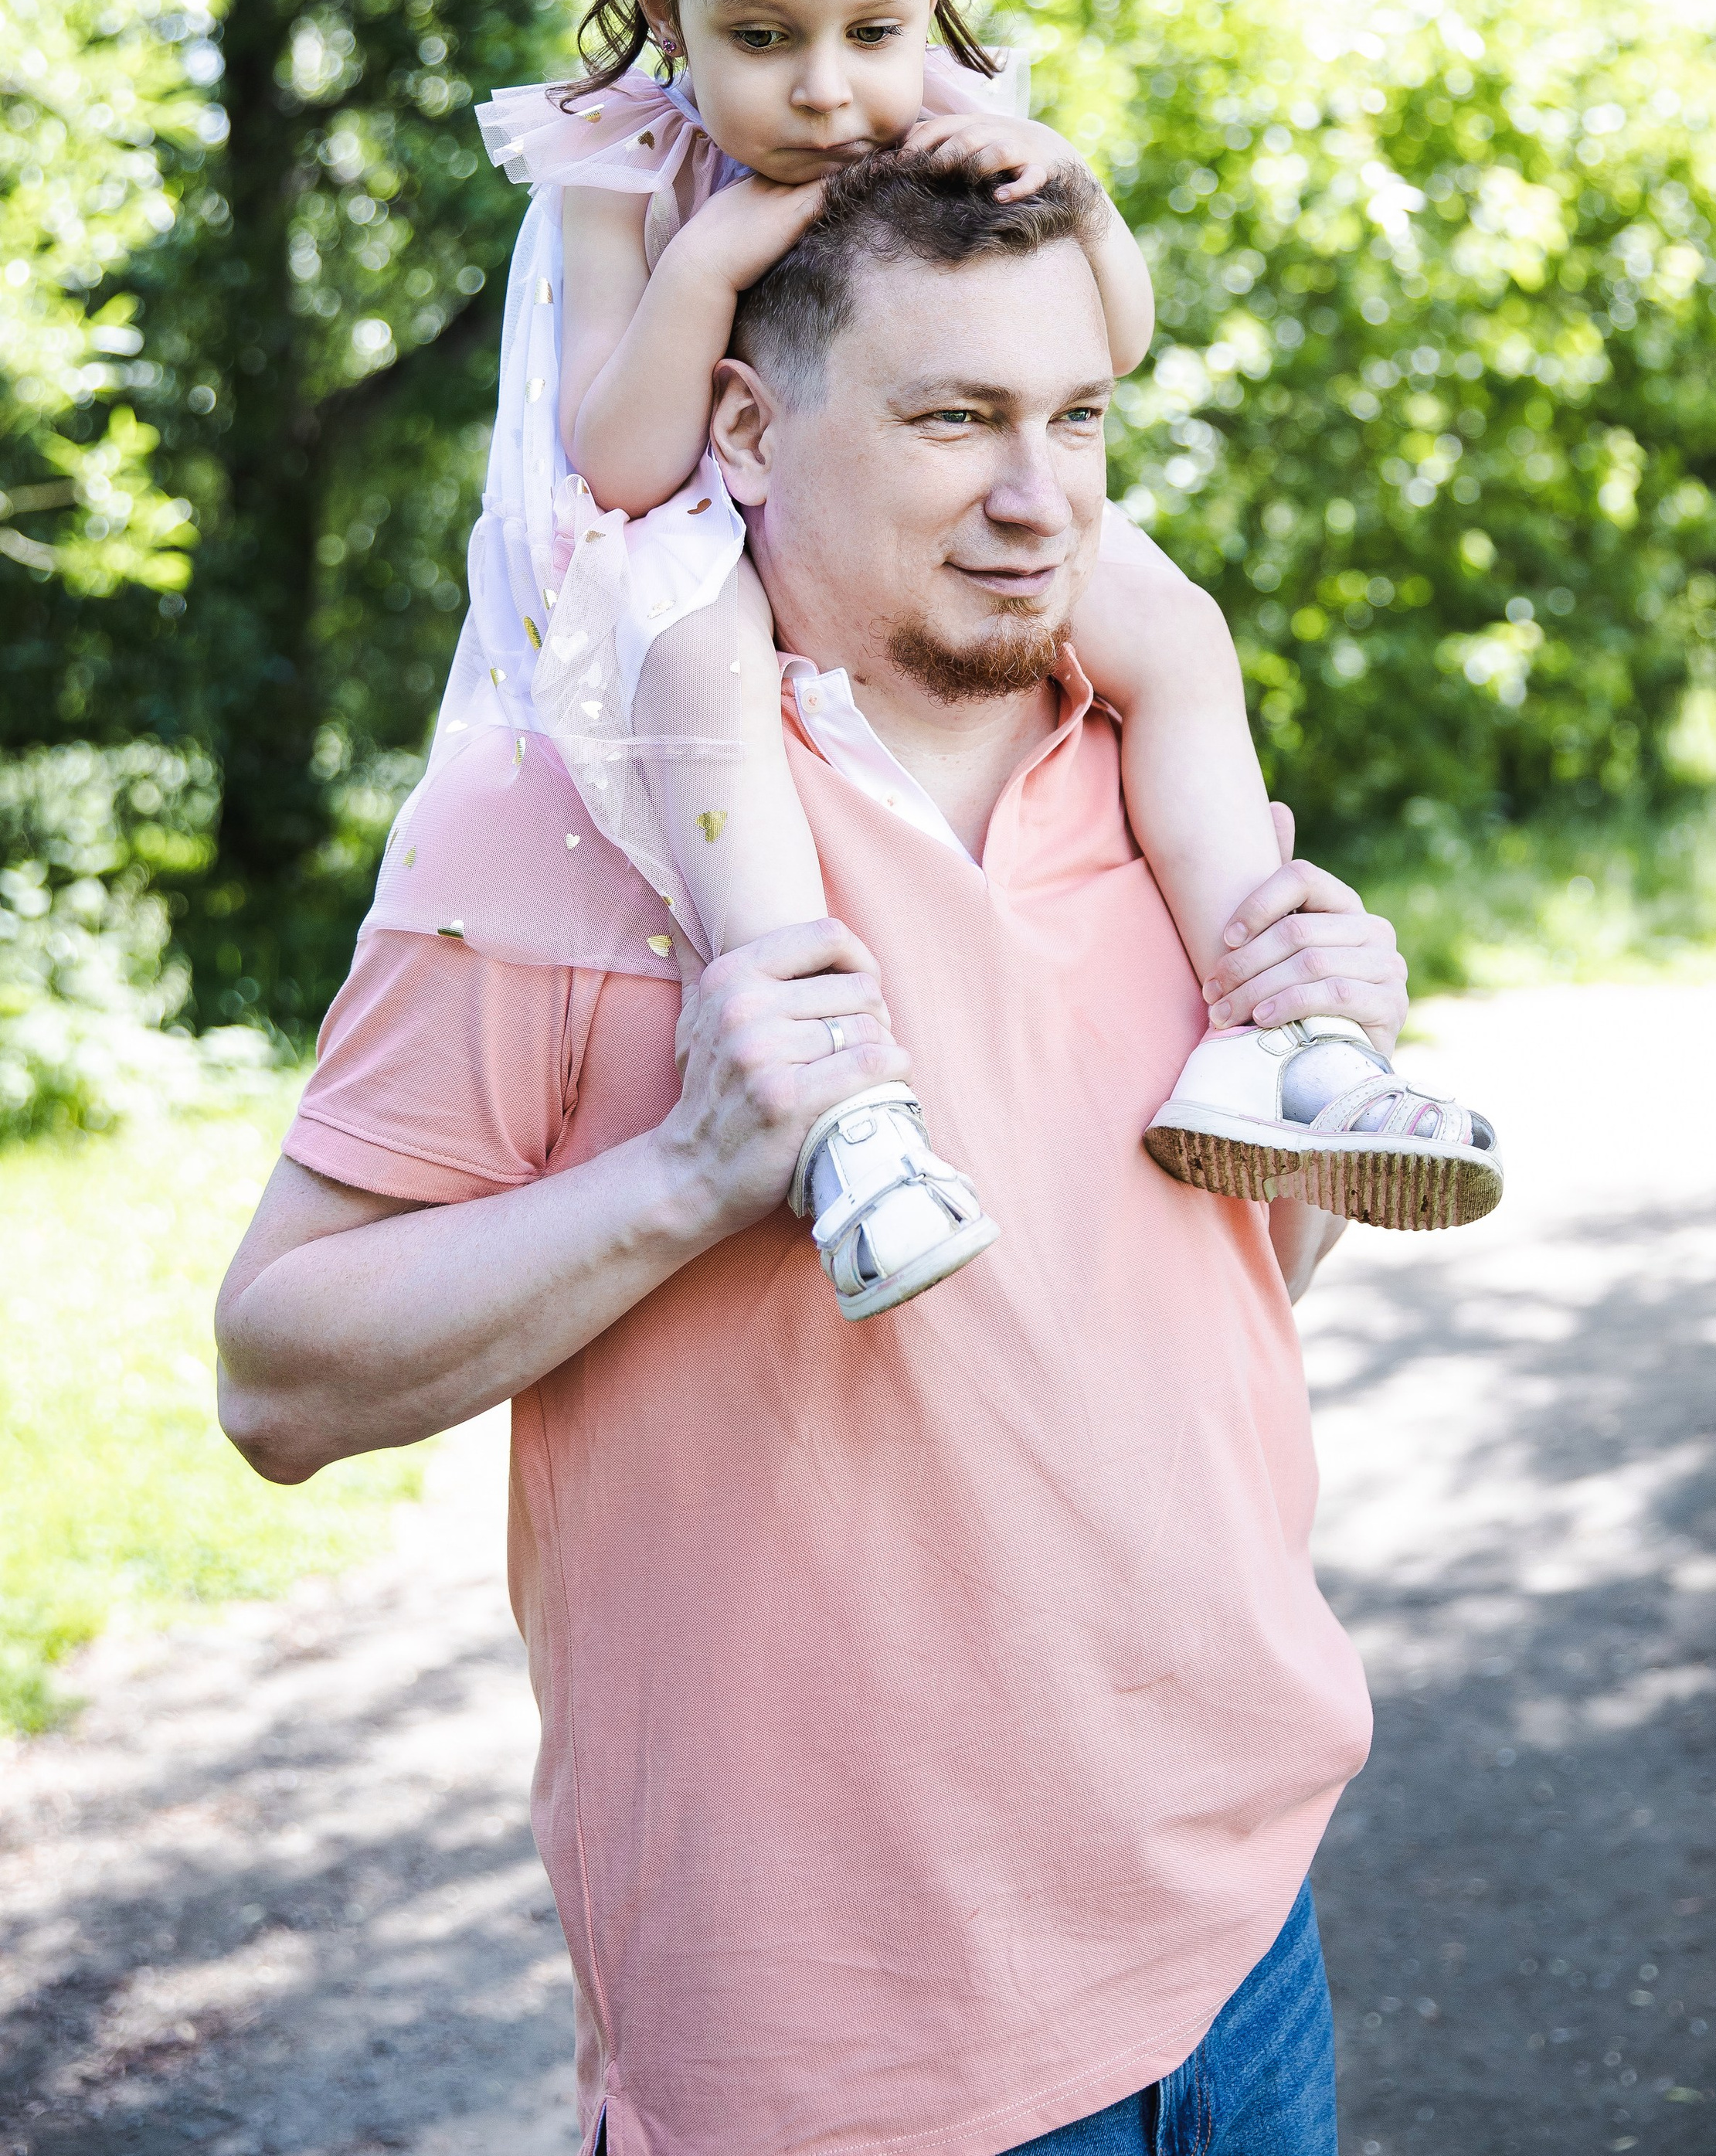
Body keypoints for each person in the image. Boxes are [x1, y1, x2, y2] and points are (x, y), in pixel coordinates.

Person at [216, 149, 1402, 2155]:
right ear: (750, 434)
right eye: (955, 420)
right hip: (849, 2052)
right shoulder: (563, 818)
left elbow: (1229, 1294)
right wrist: (688, 1174)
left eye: (1077, 419)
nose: (1041, 496)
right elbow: (278, 1378)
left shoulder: (1153, 776)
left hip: (1239, 1932)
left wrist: (1313, 1069)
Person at [381, 0, 1498, 1325]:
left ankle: (1277, 1029)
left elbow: (1114, 338)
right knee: (705, 670)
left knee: (1174, 629)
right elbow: (617, 463)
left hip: (901, 519)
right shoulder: (622, 166)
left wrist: (1080, 195)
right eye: (763, 39)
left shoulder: (951, 114)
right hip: (684, 545)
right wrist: (714, 256)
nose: (829, 90)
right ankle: (841, 1104)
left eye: (872, 31)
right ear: (665, 3)